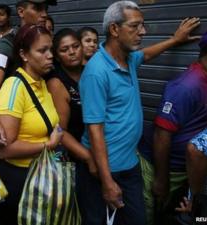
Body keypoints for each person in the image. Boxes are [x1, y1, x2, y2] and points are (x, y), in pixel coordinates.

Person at [78, 1, 200, 224]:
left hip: (129, 165)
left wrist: (175, 39)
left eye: (143, 25)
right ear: (115, 29)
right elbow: (94, 129)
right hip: (105, 171)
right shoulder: (97, 72)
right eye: (135, 26)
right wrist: (107, 181)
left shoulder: (128, 59)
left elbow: (146, 55)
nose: (143, 32)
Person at [138, 24, 207, 225]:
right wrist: (161, 179)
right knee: (150, 210)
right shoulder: (186, 86)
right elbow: (162, 135)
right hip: (162, 167)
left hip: (188, 169)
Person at [0, 24, 62, 225]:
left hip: (42, 175)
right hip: (21, 180)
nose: (50, 55)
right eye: (42, 50)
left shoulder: (42, 82)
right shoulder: (15, 87)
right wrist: (48, 145)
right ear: (24, 55)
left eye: (50, 49)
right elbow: (5, 149)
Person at [0, 0, 56, 150]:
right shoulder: (7, 44)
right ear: (21, 12)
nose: (44, 14)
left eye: (45, 9)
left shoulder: (47, 39)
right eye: (37, 8)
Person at [45, 28, 97, 221]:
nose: (72, 52)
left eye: (75, 46)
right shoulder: (57, 83)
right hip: (75, 157)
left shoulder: (90, 72)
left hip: (96, 148)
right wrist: (88, 157)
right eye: (64, 49)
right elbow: (60, 131)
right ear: (57, 56)